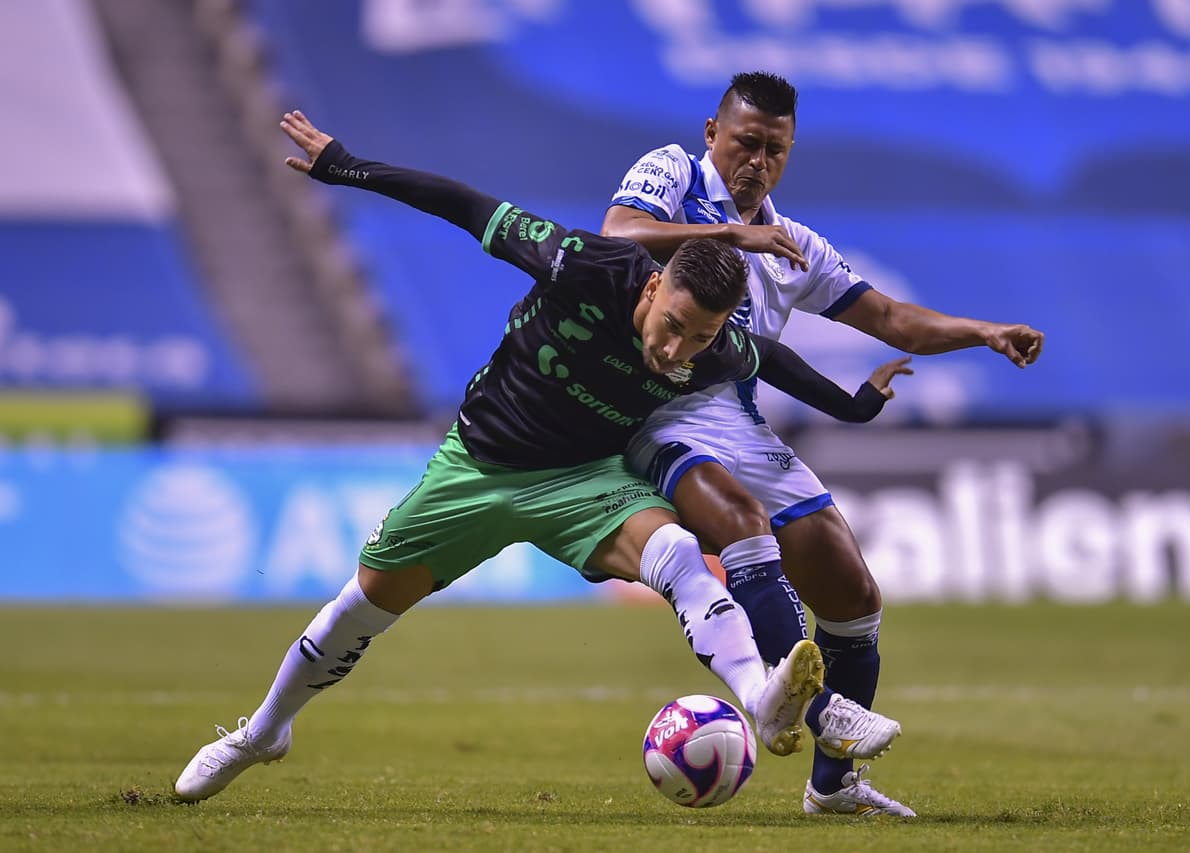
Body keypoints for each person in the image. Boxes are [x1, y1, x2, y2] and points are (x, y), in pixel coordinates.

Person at [173, 110, 914, 803]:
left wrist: (854, 405)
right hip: (478, 467)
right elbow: (465, 205)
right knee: (358, 611)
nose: (677, 351)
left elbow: (774, 359)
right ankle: (263, 730)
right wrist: (347, 166)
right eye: (674, 326)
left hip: (584, 481)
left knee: (683, 558)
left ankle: (759, 696)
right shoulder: (580, 263)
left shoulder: (712, 346)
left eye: (699, 339)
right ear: (654, 284)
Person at [601, 71, 1046, 817]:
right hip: (654, 405)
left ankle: (833, 785)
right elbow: (617, 234)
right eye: (745, 142)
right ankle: (813, 712)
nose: (757, 161)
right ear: (714, 133)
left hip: (738, 419)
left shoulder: (793, 245)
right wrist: (730, 234)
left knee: (852, 592)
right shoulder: (673, 173)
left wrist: (984, 332)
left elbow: (893, 319)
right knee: (739, 521)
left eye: (776, 149)